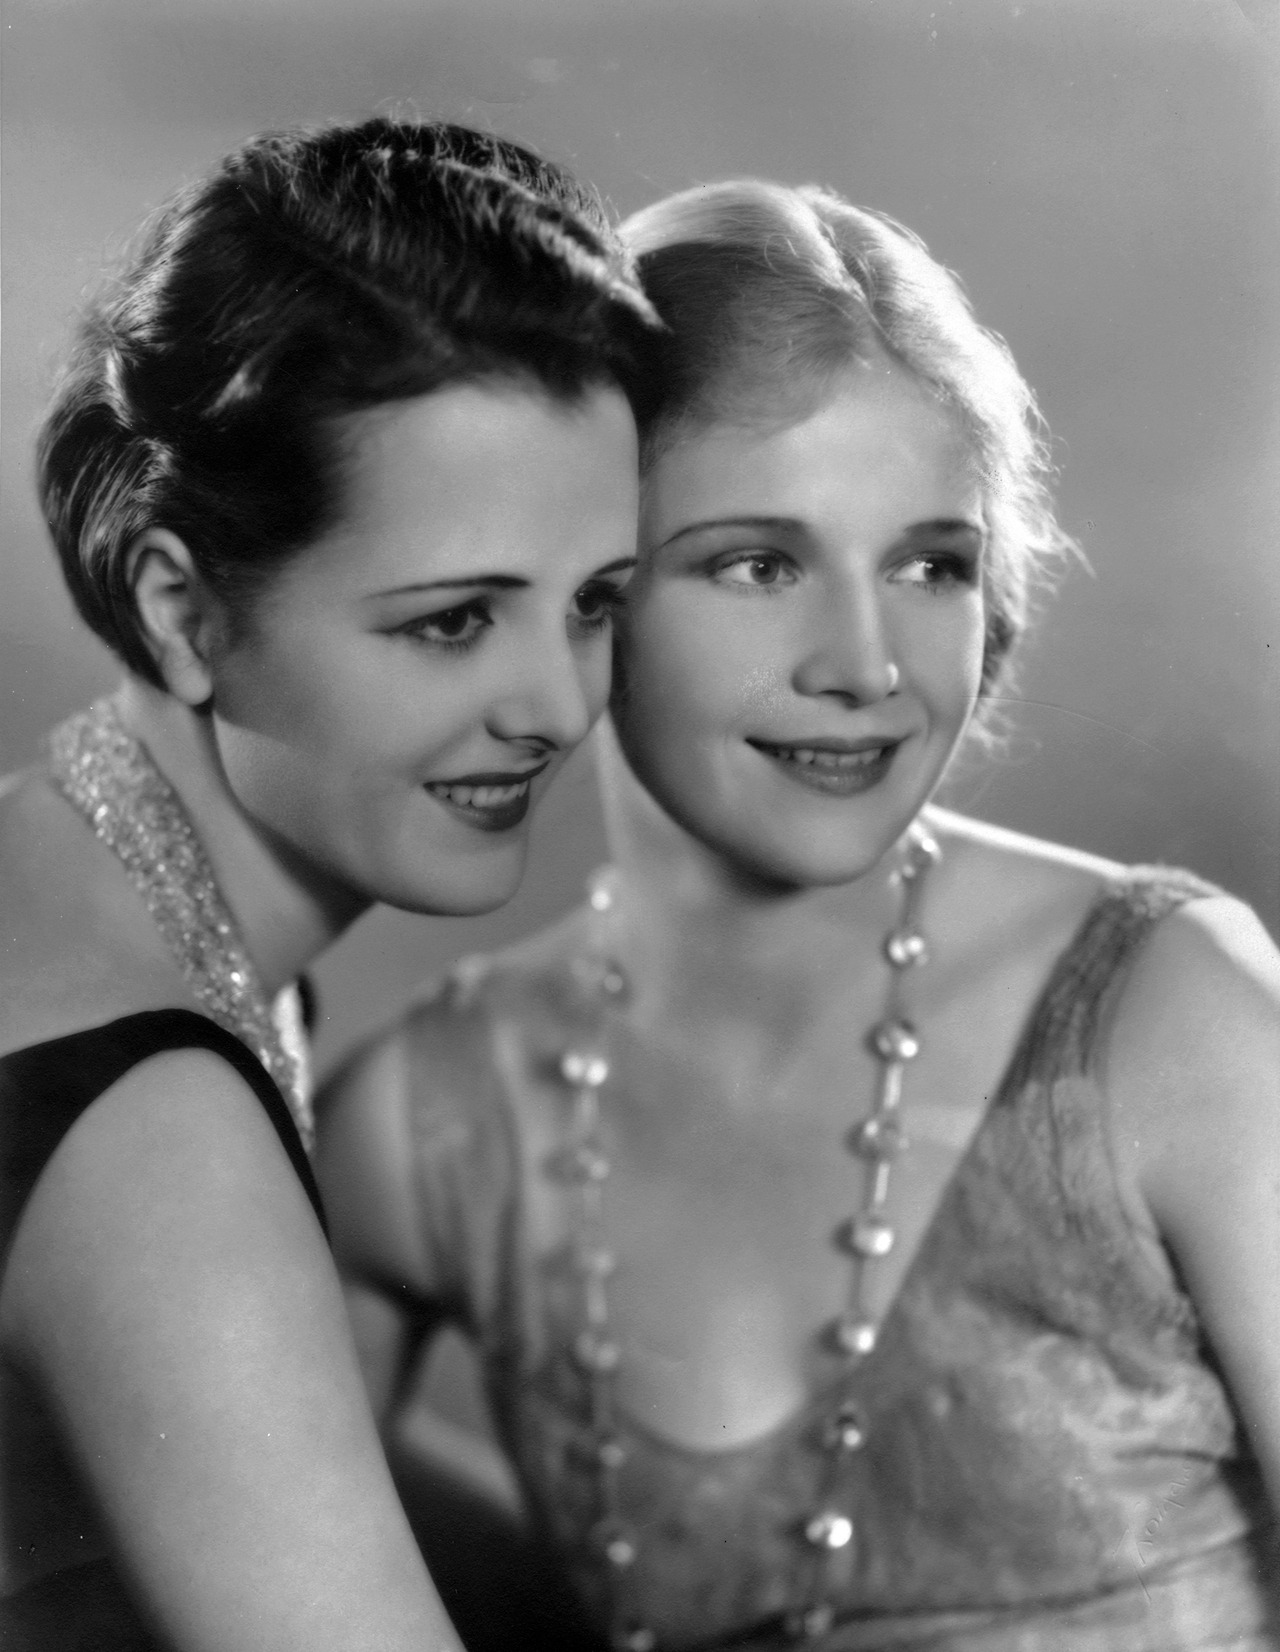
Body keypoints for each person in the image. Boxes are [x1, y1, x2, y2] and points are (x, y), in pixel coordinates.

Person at [316, 179, 1280, 1651]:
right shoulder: (434, 1126)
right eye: (757, 565)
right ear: (577, 593)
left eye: (931, 564)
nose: (865, 665)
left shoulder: (1173, 1018)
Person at [0, 114, 660, 1650]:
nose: (556, 707)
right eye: (451, 621)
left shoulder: (80, 876)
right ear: (183, 610)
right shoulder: (152, 1131)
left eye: (594, 603)